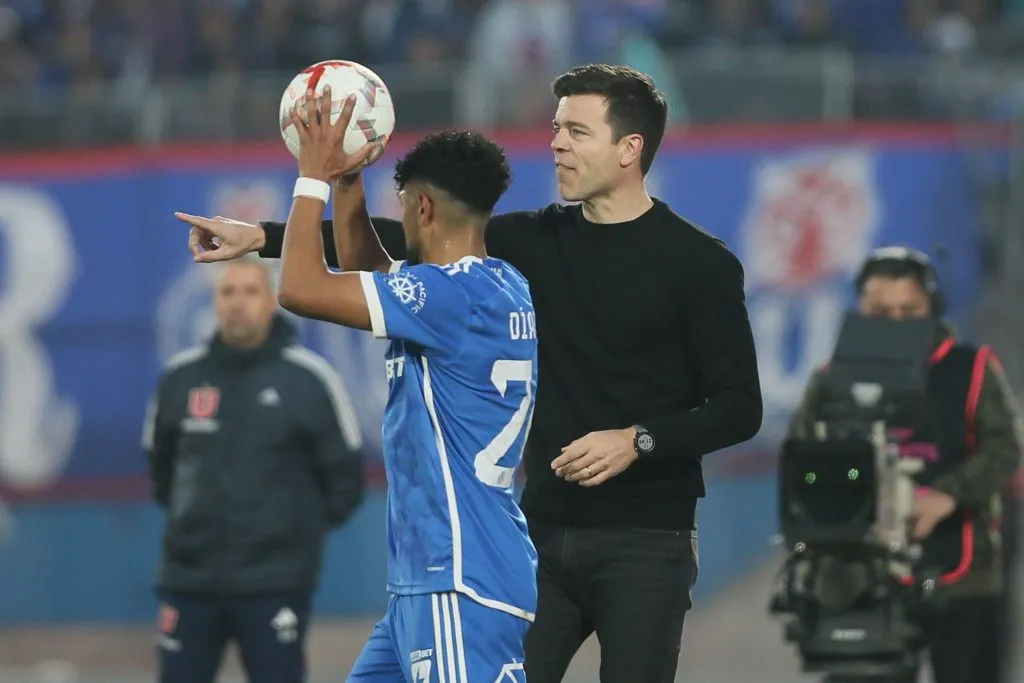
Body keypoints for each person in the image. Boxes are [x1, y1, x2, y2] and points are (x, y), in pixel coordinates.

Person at [177, 65, 763, 683]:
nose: (557, 143)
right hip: (536, 532)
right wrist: (262, 236)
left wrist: (636, 439)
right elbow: (405, 242)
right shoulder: (523, 248)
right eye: (556, 128)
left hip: (644, 537)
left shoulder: (699, 264)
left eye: (577, 131)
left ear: (629, 148)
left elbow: (738, 407)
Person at [178, 90, 538, 682]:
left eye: (403, 206)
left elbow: (300, 288)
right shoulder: (494, 285)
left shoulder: (445, 297)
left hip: (460, 579)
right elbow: (364, 265)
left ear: (423, 208)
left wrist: (312, 178)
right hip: (435, 577)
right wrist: (348, 179)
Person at [788, 246, 1024, 683]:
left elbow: (1005, 448)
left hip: (962, 575)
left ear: (931, 307)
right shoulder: (830, 378)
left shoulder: (972, 368)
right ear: (861, 310)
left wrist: (947, 495)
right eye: (882, 312)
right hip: (859, 577)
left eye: (909, 310)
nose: (896, 322)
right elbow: (801, 458)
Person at [142, 256, 366, 683]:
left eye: (250, 291)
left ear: (271, 301)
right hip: (189, 582)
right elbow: (160, 469)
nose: (237, 303)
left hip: (275, 583)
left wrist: (293, 534)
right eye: (228, 292)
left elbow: (345, 479)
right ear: (214, 301)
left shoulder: (309, 380)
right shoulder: (180, 379)